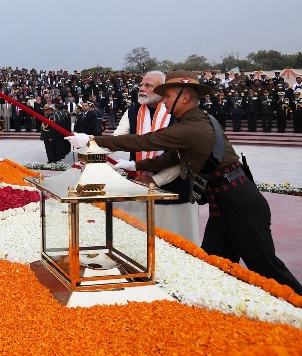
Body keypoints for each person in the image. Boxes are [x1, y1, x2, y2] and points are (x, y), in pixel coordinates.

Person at [68, 71, 302, 295]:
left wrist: (90, 139)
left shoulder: (191, 127)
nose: (165, 101)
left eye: (168, 96)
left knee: (267, 269)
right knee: (213, 265)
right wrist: (136, 166)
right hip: (223, 204)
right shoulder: (197, 121)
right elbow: (173, 156)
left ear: (185, 97)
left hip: (240, 205)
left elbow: (146, 141)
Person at [109, 71, 197, 244]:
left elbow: (180, 158)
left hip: (173, 189)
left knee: (175, 243)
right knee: (140, 241)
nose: (142, 89)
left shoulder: (179, 114)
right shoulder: (132, 112)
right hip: (140, 184)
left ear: (163, 91)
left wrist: (155, 180)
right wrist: (91, 147)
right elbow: (117, 140)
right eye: (141, 84)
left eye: (148, 86)